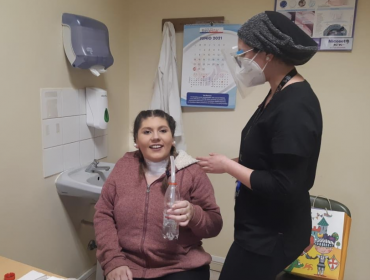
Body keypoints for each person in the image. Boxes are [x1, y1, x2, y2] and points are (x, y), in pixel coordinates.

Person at [197, 11, 322, 280]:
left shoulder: (295, 107)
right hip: (260, 229)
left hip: (271, 236)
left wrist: (229, 166)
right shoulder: (277, 92)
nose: (241, 62)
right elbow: (267, 157)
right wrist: (227, 163)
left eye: (244, 54)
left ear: (268, 55)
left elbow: (284, 185)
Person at [94, 109, 222, 280]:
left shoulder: (191, 172)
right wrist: (113, 261)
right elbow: (103, 214)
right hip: (128, 265)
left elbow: (214, 224)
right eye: (147, 132)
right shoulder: (123, 167)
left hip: (180, 267)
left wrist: (194, 214)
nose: (155, 137)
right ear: (136, 142)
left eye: (163, 130)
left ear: (173, 139)